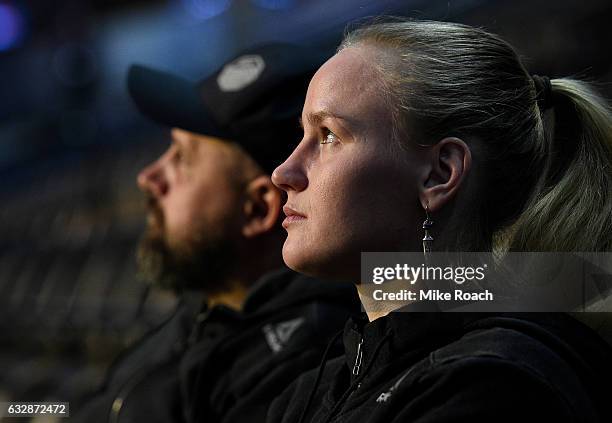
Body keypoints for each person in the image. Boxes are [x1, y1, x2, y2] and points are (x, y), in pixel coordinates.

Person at [268, 20, 612, 422]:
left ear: (439, 174)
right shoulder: (312, 391)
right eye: (303, 135)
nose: (284, 172)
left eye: (328, 135)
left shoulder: (494, 387)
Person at [72, 43, 359, 423]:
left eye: (182, 158)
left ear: (257, 209)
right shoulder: (212, 303)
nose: (148, 178)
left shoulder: (304, 362)